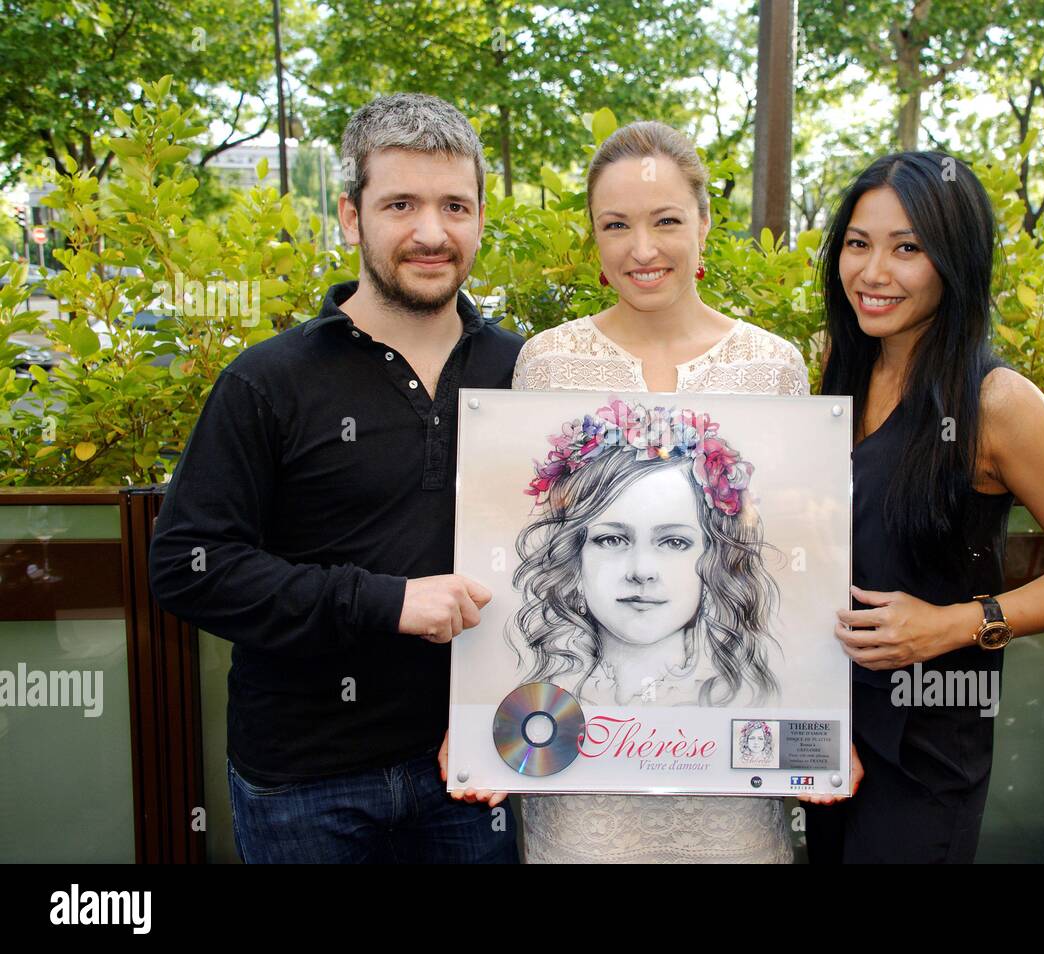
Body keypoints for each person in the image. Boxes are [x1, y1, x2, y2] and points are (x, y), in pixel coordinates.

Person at [148, 93, 523, 863]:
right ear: (352, 218)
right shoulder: (269, 382)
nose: (431, 232)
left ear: (481, 217)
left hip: (476, 763)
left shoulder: (524, 372)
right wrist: (387, 602)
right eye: (401, 204)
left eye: (455, 205)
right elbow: (191, 568)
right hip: (305, 785)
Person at [806, 151, 1044, 863]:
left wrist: (955, 625)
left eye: (908, 248)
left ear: (955, 260)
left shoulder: (996, 402)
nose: (873, 272)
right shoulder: (843, 372)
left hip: (927, 748)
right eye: (858, 244)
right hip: (835, 732)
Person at [510, 120, 812, 863]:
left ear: (705, 225)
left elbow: (796, 575)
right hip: (580, 778)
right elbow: (525, 558)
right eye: (617, 225)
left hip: (731, 767)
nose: (642, 250)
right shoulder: (544, 366)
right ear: (594, 239)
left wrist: (818, 731)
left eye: (666, 221)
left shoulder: (774, 369)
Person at [510, 396, 780, 707]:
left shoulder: (748, 701)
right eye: (611, 540)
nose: (641, 571)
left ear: (713, 559)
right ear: (575, 557)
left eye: (674, 542)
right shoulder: (538, 701)